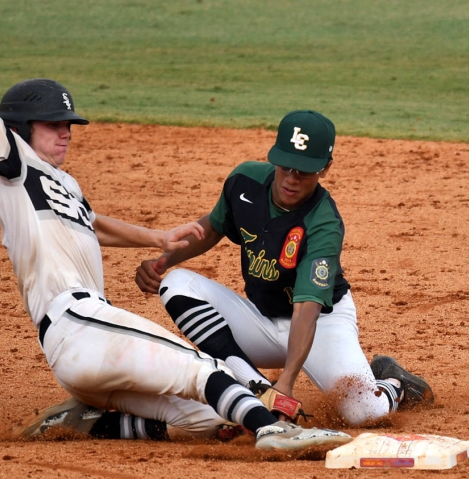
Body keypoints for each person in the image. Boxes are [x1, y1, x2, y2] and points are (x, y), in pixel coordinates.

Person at [0, 10, 352, 451]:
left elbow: (91, 226)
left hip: (88, 353)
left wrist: (156, 238)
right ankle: (273, 427)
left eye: (68, 125)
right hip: (79, 323)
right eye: (53, 125)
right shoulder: (12, 168)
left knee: (207, 420)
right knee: (203, 368)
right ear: (19, 130)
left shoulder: (60, 183)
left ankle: (83, 424)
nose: (65, 134)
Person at [134, 109, 434, 426]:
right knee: (177, 283)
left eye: (304, 171)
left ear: (325, 169)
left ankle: (393, 383)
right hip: (261, 320)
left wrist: (287, 381)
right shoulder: (244, 181)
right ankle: (254, 385)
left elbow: (306, 309)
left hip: (320, 324)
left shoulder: (323, 224)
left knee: (364, 413)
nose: (292, 178)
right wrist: (162, 261)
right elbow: (213, 227)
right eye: (286, 166)